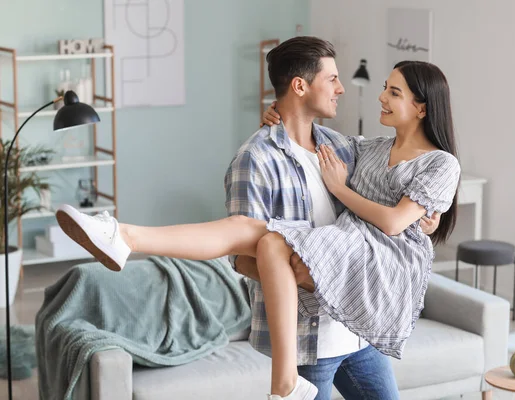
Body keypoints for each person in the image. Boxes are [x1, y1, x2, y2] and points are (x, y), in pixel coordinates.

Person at [54, 37, 460, 400]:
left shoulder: (342, 148)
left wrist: (425, 218)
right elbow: (239, 260)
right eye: (332, 79)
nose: (342, 89)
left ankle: (124, 235)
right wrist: (297, 274)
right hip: (313, 337)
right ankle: (122, 236)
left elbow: (395, 204)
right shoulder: (257, 158)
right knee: (261, 238)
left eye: (392, 91)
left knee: (268, 239)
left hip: (360, 325)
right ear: (300, 86)